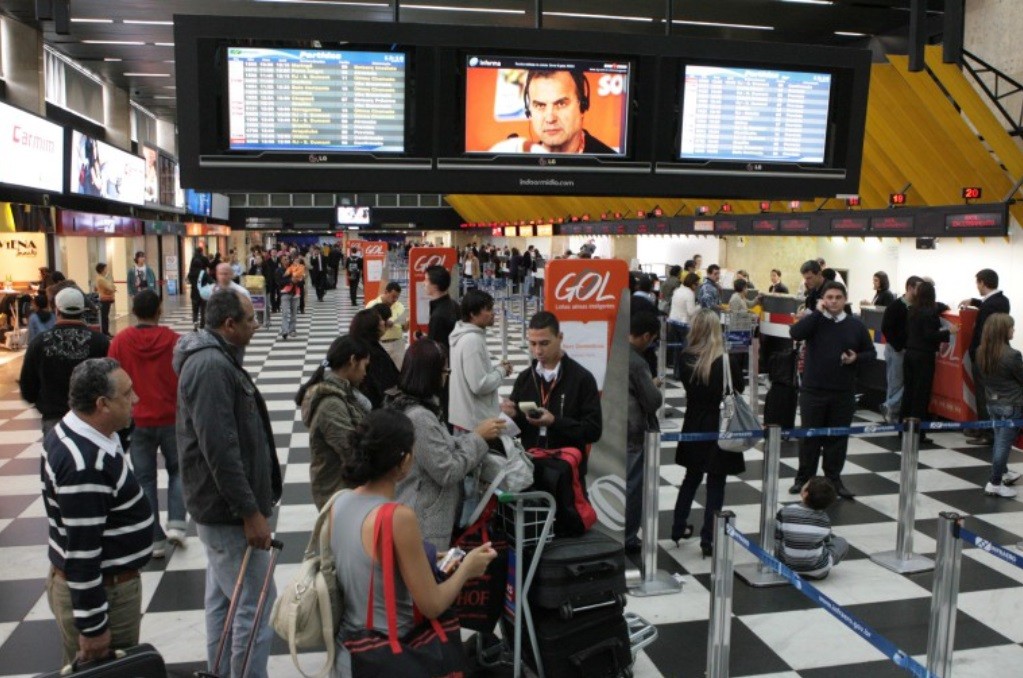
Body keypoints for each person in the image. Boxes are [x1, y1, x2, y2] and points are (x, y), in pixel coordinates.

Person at [331, 409, 497, 677]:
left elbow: (371, 564)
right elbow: (432, 604)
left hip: (349, 651)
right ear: (406, 460)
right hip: (392, 654)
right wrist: (468, 568)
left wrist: (431, 557)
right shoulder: (397, 517)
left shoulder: (340, 502)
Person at [174, 290, 282, 678]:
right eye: (251, 319)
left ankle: (220, 671)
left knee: (225, 600)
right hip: (227, 513)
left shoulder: (217, 360)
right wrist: (250, 512)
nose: (257, 325)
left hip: (221, 508)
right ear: (229, 325)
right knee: (255, 606)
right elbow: (220, 447)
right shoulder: (211, 367)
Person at [42, 358, 151, 667]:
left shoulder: (81, 432)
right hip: (107, 593)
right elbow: (82, 552)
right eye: (128, 394)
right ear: (102, 404)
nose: (136, 399)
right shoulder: (84, 465)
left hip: (106, 585)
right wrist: (93, 628)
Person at [389, 339, 504, 548]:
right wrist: (478, 437)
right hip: (424, 521)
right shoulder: (420, 417)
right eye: (444, 370)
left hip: (421, 512)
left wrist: (474, 436)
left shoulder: (411, 405)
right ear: (430, 374)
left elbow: (441, 445)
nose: (447, 375)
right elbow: (447, 470)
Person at [109, 290, 186, 559]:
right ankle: (177, 522)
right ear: (159, 310)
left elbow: (112, 377)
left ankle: (154, 539)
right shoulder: (174, 340)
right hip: (171, 417)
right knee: (178, 471)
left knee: (144, 479)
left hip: (136, 419)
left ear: (133, 310)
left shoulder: (120, 341)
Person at [788, 282, 875, 499]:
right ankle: (803, 479)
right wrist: (817, 313)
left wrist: (856, 357)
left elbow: (871, 353)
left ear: (845, 300)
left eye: (838, 297)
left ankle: (833, 480)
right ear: (823, 299)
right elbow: (796, 332)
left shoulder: (856, 325)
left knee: (837, 439)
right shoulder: (815, 321)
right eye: (829, 297)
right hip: (813, 391)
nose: (833, 301)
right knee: (810, 437)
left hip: (843, 392)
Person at [670, 309, 745, 557]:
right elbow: (738, 389)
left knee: (690, 478)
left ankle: (678, 526)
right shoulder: (726, 361)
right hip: (720, 425)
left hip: (693, 422)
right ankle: (709, 539)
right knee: (716, 483)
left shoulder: (684, 358)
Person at [501, 311, 602, 479]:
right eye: (532, 344)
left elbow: (593, 431)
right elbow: (517, 431)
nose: (538, 350)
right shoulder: (525, 378)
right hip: (531, 466)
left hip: (567, 471)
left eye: (544, 343)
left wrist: (555, 422)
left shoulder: (582, 379)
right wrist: (513, 416)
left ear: (560, 338)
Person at [20, 288, 110, 436]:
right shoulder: (99, 341)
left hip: (54, 417)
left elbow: (27, 387)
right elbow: (109, 381)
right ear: (83, 311)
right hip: (91, 417)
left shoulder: (39, 342)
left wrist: (41, 401)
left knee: (55, 456)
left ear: (56, 310)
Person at [297, 335, 372, 509]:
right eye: (364, 366)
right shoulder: (332, 404)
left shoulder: (344, 391)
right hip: (338, 494)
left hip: (344, 491)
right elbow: (350, 450)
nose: (365, 373)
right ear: (353, 360)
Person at [489, 69, 615, 154]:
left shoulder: (612, 164)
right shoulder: (518, 163)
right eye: (540, 105)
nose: (550, 118)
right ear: (529, 111)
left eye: (560, 104)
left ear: (582, 106)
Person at [448, 289, 512, 432]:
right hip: (475, 422)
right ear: (473, 314)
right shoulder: (472, 340)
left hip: (464, 418)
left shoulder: (463, 335)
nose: (493, 313)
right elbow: (479, 385)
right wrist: (502, 371)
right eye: (488, 309)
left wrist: (496, 369)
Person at [960, 268, 1011, 445]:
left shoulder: (991, 305)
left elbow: (984, 331)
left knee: (984, 396)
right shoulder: (1000, 301)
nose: (977, 287)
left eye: (978, 283)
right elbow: (987, 306)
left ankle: (987, 432)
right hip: (990, 356)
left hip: (985, 357)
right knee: (986, 396)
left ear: (982, 282)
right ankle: (984, 428)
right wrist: (975, 301)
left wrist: (975, 353)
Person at [625, 312, 663, 554]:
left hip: (612, 427)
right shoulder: (638, 363)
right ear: (646, 336)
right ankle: (628, 536)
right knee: (633, 487)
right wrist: (653, 385)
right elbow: (652, 401)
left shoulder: (613, 350)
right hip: (634, 431)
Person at [975, 313, 1023, 497]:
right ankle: (994, 482)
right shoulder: (1012, 355)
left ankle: (1002, 472)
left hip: (992, 402)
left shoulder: (981, 351)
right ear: (1003, 330)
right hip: (1012, 404)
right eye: (1011, 327)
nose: (1014, 330)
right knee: (1004, 444)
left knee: (999, 441)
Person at [903, 281, 956, 441]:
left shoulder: (913, 310)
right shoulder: (929, 313)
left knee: (909, 392)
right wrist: (949, 331)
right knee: (921, 395)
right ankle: (918, 434)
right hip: (923, 356)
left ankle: (903, 429)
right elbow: (930, 335)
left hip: (910, 354)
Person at [775, 477, 848, 580]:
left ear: (805, 493)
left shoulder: (786, 511)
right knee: (841, 542)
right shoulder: (824, 520)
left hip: (786, 567)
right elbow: (826, 542)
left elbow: (777, 536)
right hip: (818, 572)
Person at [879, 276, 923, 424]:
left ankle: (890, 408)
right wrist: (899, 346)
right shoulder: (895, 306)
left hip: (909, 350)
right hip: (896, 350)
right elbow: (886, 328)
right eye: (918, 288)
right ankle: (891, 412)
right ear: (910, 288)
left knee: (906, 382)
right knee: (895, 382)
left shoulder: (917, 306)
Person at [350, 308, 401, 409]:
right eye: (380, 320)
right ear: (372, 326)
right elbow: (387, 384)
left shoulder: (361, 345)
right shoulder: (374, 354)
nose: (383, 322)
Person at [367, 281, 408, 369]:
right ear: (386, 292)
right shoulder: (372, 305)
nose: (395, 299)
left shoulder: (400, 306)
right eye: (393, 296)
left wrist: (408, 323)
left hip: (398, 344)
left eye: (397, 297)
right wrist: (384, 324)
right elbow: (367, 327)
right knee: (381, 370)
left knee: (399, 370)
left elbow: (405, 329)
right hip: (381, 344)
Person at [669, 272, 700, 380]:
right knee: (687, 350)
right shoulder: (689, 293)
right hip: (684, 324)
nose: (697, 287)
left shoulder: (677, 290)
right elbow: (691, 312)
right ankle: (685, 373)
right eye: (696, 284)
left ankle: (676, 373)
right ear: (692, 284)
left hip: (673, 322)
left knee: (677, 350)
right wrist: (699, 307)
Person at [426, 265, 461, 353]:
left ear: (435, 286)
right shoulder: (454, 304)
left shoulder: (438, 316)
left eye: (426, 280)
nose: (424, 283)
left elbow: (436, 351)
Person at [187, 246, 210, 330]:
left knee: (195, 310)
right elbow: (210, 281)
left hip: (194, 293)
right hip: (203, 293)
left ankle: (195, 322)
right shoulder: (203, 273)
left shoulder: (191, 274)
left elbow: (188, 281)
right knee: (203, 309)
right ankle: (202, 324)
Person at [277, 253, 299, 340]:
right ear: (281, 261)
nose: (286, 261)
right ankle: (285, 330)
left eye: (287, 259)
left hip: (295, 293)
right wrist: (290, 280)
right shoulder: (279, 271)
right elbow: (279, 282)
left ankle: (292, 329)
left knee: (294, 313)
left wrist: (296, 280)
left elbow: (300, 280)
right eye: (284, 259)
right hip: (284, 294)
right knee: (285, 313)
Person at [94, 262, 116, 337]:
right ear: (102, 269)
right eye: (106, 268)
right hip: (104, 300)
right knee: (104, 317)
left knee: (105, 317)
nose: (107, 270)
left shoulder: (102, 278)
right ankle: (104, 333)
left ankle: (106, 332)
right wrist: (112, 287)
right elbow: (110, 288)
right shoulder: (101, 279)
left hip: (106, 299)